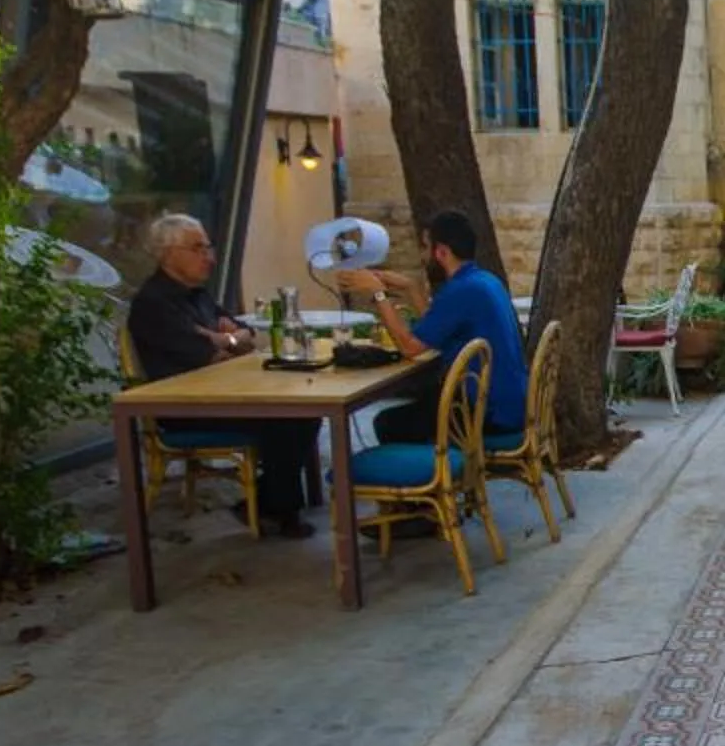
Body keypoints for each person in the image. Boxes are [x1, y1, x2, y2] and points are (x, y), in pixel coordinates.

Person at [125, 211, 321, 539]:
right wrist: (222, 342)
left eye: (209, 248)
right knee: (289, 419)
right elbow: (206, 354)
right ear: (168, 254)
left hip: (222, 395)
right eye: (198, 249)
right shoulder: (153, 303)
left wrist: (224, 338)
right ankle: (277, 507)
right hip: (185, 408)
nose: (210, 258)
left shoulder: (198, 294)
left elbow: (244, 335)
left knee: (304, 412)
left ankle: (269, 501)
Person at [339, 209, 526, 448]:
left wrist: (377, 294)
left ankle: (434, 478)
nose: (422, 255)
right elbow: (438, 326)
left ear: (441, 252)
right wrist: (411, 289)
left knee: (388, 423)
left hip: (486, 412)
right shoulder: (483, 281)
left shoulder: (460, 291)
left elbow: (410, 347)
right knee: (425, 402)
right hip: (509, 403)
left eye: (426, 248)